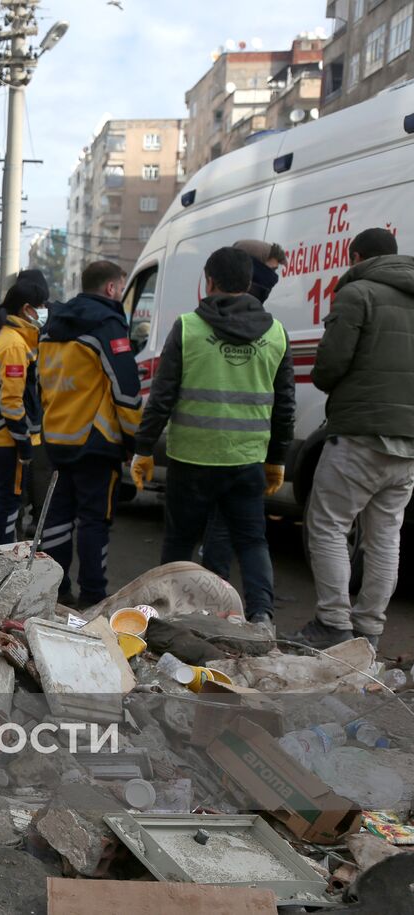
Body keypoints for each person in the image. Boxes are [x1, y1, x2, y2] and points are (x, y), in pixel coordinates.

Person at [131, 247, 296, 630]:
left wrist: (143, 448)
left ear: (209, 282)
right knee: (252, 541)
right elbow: (284, 404)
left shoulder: (189, 327)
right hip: (246, 460)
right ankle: (261, 617)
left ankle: (166, 618)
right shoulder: (275, 332)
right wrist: (277, 458)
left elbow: (162, 397)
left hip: (192, 459)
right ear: (248, 282)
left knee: (179, 544)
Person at [290, 228, 414, 650]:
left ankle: (332, 623)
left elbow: (328, 367)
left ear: (357, 256)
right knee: (385, 536)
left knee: (326, 526)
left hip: (359, 435)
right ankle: (369, 630)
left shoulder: (357, 293)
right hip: (409, 443)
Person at [38, 261, 142, 607]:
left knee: (58, 518)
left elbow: (39, 382)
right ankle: (94, 595)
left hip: (57, 436)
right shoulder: (108, 325)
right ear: (112, 288)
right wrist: (134, 441)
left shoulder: (52, 326)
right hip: (96, 441)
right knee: (94, 521)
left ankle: (54, 590)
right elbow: (126, 391)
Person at [200, 239, 288, 577]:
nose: (273, 281)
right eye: (270, 271)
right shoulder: (270, 327)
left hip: (207, 448)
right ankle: (251, 608)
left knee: (215, 528)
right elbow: (284, 400)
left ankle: (209, 594)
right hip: (248, 447)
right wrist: (277, 454)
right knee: (247, 535)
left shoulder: (201, 320)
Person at [0, 271, 48, 543]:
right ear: (27, 309)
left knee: (5, 498)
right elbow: (11, 401)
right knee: (10, 502)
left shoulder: (8, 337)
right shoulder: (13, 345)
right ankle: (2, 556)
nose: (45, 311)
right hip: (8, 438)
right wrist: (24, 443)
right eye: (41, 306)